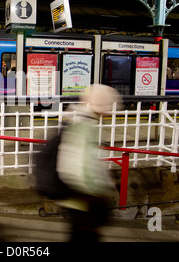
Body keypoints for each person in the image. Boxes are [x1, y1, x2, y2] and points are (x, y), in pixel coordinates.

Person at [56, 84, 121, 242]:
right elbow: (87, 164)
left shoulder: (75, 117)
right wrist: (101, 190)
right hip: (83, 199)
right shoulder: (87, 125)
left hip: (72, 196)